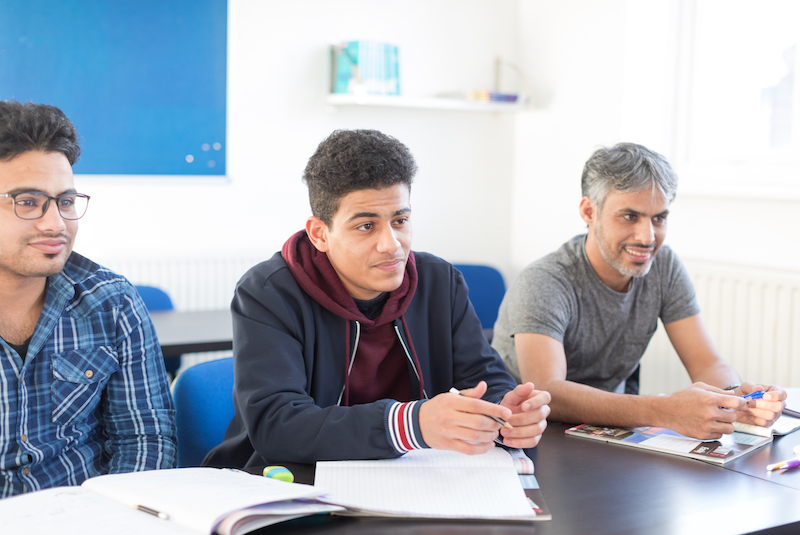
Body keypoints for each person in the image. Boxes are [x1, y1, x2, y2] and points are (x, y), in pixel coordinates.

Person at [204, 129, 550, 468]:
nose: (391, 244)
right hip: (290, 481)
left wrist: (506, 414)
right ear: (319, 233)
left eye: (400, 220)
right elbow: (277, 427)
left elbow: (484, 378)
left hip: (418, 477)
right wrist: (410, 424)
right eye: (366, 226)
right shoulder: (268, 292)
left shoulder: (440, 282)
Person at [492, 142, 786, 440]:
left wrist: (734, 399)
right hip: (527, 434)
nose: (647, 237)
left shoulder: (664, 266)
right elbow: (548, 392)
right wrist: (664, 410)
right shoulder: (544, 281)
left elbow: (706, 362)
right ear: (589, 211)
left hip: (608, 431)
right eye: (630, 216)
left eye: (659, 218)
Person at [0, 101, 176, 498]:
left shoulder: (110, 302)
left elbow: (146, 440)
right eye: (28, 202)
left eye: (65, 201)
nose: (56, 224)